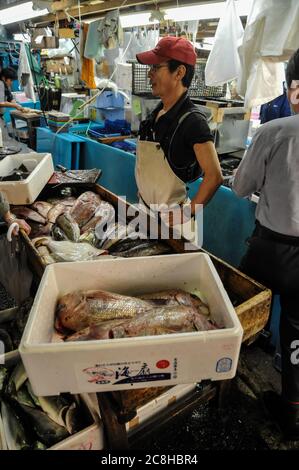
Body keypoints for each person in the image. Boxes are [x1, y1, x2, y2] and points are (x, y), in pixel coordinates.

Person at [232, 49, 299, 440]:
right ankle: (292, 414)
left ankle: (219, 371)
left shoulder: (275, 132)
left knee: (237, 304)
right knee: (296, 331)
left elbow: (241, 187)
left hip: (270, 251)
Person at [135, 36, 223, 243]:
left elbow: (214, 176)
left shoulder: (192, 121)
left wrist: (188, 213)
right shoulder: (155, 115)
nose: (150, 74)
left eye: (156, 67)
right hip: (146, 213)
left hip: (175, 225)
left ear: (179, 73)